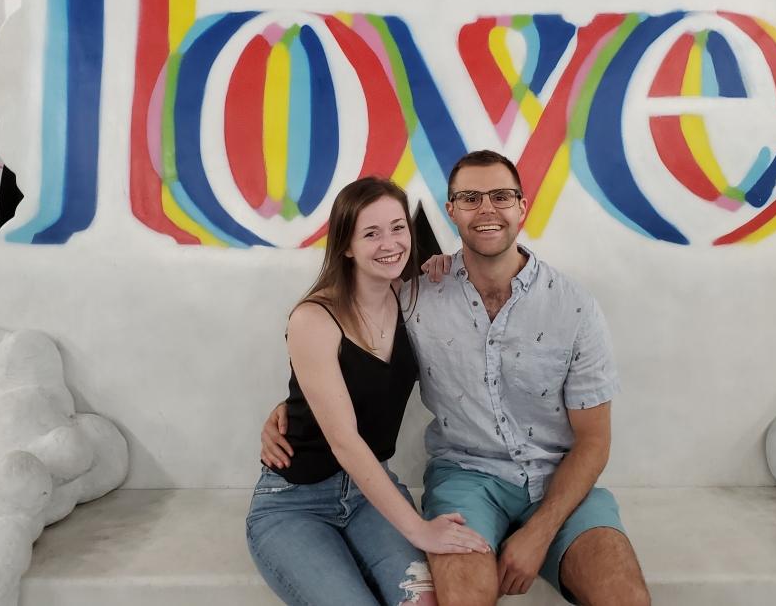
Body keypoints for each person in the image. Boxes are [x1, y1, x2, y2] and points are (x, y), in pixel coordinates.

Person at [263, 151, 650, 606]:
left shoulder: (575, 306)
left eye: (501, 196)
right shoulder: (416, 294)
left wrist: (539, 533)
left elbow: (594, 442)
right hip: (464, 478)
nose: (487, 209)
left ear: (522, 207)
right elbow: (339, 357)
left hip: (557, 480)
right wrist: (290, 409)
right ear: (452, 211)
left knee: (627, 599)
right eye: (470, 197)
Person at [246, 176, 490, 606]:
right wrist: (419, 530)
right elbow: (343, 441)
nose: (390, 243)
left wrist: (445, 264)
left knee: (423, 602)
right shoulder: (315, 318)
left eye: (398, 227)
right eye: (371, 233)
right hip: (294, 503)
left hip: (370, 494)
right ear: (346, 245)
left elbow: (486, 264)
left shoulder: (414, 296)